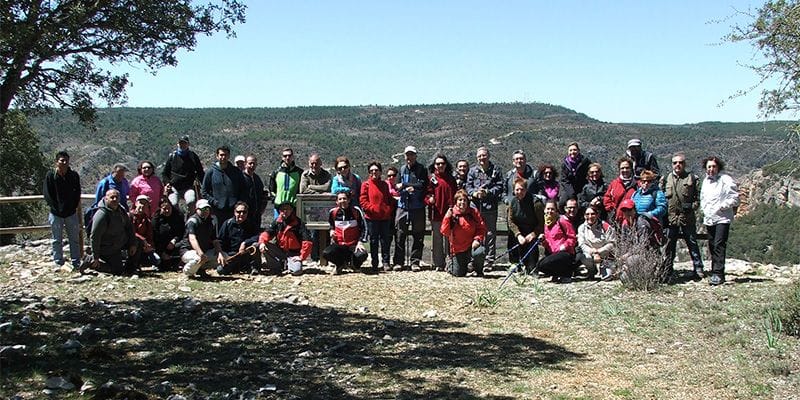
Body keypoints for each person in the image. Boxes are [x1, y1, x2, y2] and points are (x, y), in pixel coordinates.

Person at [661, 153, 704, 281]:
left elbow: (698, 198)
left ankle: (698, 268)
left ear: (684, 164)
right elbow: (661, 198)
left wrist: (691, 207)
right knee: (669, 246)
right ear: (672, 164)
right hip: (671, 218)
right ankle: (668, 270)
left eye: (680, 162)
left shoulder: (692, 178)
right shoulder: (666, 179)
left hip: (687, 217)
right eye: (675, 163)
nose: (677, 165)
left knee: (692, 243)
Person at [700, 156, 739, 286]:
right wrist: (704, 210)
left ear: (718, 167)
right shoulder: (705, 181)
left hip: (722, 218)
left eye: (714, 166)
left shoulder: (725, 180)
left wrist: (722, 206)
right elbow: (703, 198)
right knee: (712, 245)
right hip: (710, 218)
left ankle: (718, 273)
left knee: (719, 244)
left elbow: (735, 198)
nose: (711, 169)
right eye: (709, 167)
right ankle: (714, 271)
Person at [43, 151, 82, 270]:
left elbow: (77, 192)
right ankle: (58, 261)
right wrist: (56, 207)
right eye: (62, 160)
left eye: (66, 160)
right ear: (56, 162)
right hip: (56, 213)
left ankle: (76, 261)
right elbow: (47, 194)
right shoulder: (51, 176)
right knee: (56, 239)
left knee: (74, 239)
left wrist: (73, 206)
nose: (64, 163)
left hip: (71, 213)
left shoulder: (73, 176)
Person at [466, 146, 503, 266]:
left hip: (490, 207)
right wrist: (474, 193)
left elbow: (500, 187)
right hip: (475, 207)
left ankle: (489, 260)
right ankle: (473, 260)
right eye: (480, 156)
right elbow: (468, 186)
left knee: (490, 234)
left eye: (484, 155)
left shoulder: (496, 170)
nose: (482, 158)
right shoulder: (472, 171)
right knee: (473, 232)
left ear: (489, 156)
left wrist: (488, 192)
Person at [87, 189, 137, 275]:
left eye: (116, 197)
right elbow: (95, 236)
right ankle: (91, 262)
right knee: (117, 270)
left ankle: (131, 268)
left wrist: (133, 243)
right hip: (107, 247)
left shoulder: (121, 210)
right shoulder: (102, 215)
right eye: (112, 197)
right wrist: (95, 256)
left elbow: (129, 227)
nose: (114, 199)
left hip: (119, 242)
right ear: (106, 198)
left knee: (138, 242)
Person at [394, 146, 428, 271]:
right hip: (403, 206)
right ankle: (399, 262)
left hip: (417, 206)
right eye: (407, 155)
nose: (410, 157)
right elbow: (397, 186)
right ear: (404, 156)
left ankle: (415, 262)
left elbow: (422, 185)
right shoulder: (402, 169)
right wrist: (405, 187)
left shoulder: (422, 169)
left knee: (418, 235)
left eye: (412, 155)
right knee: (400, 234)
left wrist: (405, 185)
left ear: (415, 156)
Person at [258, 202, 314, 276]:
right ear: (279, 211)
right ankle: (276, 267)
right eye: (282, 209)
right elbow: (267, 233)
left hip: (294, 254)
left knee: (297, 271)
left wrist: (301, 257)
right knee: (263, 245)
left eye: (288, 209)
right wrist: (262, 242)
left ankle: (287, 264)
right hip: (280, 251)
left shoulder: (298, 223)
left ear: (292, 210)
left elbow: (307, 241)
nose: (285, 211)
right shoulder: (277, 222)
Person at [440, 189, 487, 277]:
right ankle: (452, 265)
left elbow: (481, 228)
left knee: (480, 252)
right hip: (457, 249)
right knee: (458, 273)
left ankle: (478, 270)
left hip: (471, 246)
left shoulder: (473, 212)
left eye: (465, 200)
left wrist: (477, 239)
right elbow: (445, 232)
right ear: (456, 201)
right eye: (460, 200)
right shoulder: (452, 213)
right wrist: (447, 218)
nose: (462, 202)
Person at [360, 161, 395, 272]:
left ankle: (385, 262)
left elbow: (389, 199)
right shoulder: (366, 185)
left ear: (380, 172)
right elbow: (363, 200)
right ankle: (374, 263)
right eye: (371, 170)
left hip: (384, 218)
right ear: (369, 173)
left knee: (385, 241)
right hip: (371, 218)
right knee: (373, 241)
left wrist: (388, 209)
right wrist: (372, 209)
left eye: (376, 170)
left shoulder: (384, 185)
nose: (374, 172)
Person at [425, 153, 457, 271]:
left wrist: (454, 209)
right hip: (436, 213)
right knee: (437, 239)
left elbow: (455, 194)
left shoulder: (451, 179)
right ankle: (438, 263)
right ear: (434, 165)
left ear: (446, 165)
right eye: (438, 163)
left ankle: (450, 262)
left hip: (450, 213)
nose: (440, 166)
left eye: (442, 163)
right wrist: (429, 200)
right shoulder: (431, 179)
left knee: (449, 238)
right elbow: (426, 194)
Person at [324, 192, 368, 274]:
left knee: (362, 254)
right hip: (339, 244)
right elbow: (331, 225)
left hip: (353, 245)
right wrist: (331, 230)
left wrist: (360, 242)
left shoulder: (356, 211)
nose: (342, 201)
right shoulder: (333, 212)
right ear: (337, 202)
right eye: (340, 199)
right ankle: (340, 264)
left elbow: (364, 227)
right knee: (326, 253)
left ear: (349, 200)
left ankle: (355, 265)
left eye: (344, 198)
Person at [506, 178, 544, 273]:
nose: (520, 192)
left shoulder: (536, 203)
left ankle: (531, 266)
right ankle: (515, 263)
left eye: (522, 189)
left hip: (532, 231)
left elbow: (541, 222)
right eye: (517, 190)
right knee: (512, 235)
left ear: (526, 189)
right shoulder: (512, 202)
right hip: (519, 231)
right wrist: (518, 234)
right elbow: (510, 221)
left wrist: (533, 234)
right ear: (514, 190)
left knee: (531, 268)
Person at [179, 199, 223, 278]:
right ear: (196, 210)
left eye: (207, 209)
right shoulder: (192, 221)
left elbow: (215, 240)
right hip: (188, 251)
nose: (205, 211)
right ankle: (187, 272)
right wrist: (200, 253)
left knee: (224, 257)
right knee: (198, 259)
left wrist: (220, 253)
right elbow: (192, 239)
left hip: (204, 252)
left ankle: (200, 269)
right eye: (202, 209)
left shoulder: (211, 221)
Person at [536, 199, 577, 284]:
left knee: (544, 264)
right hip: (553, 253)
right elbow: (548, 243)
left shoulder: (562, 220)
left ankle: (567, 273)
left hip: (565, 253)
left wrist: (564, 246)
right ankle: (559, 273)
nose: (550, 211)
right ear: (544, 210)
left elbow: (572, 238)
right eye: (548, 209)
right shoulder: (546, 223)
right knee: (540, 266)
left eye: (552, 209)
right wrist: (543, 240)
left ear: (556, 210)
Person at [202, 145, 245, 224]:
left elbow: (243, 189)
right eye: (221, 155)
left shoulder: (236, 172)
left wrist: (238, 203)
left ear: (229, 156)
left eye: (225, 155)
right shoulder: (211, 172)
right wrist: (214, 202)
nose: (223, 157)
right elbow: (204, 192)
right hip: (217, 211)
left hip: (233, 210)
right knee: (218, 231)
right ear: (217, 156)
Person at [161, 135, 204, 215]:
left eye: (184, 143)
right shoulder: (172, 157)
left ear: (188, 144)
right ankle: (178, 219)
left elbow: (200, 172)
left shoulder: (193, 156)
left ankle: (190, 219)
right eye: (181, 143)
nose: (182, 145)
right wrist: (167, 183)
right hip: (174, 188)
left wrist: (204, 186)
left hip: (188, 187)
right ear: (177, 144)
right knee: (173, 204)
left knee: (191, 201)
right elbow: (165, 173)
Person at [216, 202, 261, 275]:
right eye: (239, 212)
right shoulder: (227, 223)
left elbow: (257, 236)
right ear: (234, 212)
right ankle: (237, 268)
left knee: (256, 245)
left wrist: (245, 243)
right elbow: (220, 240)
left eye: (244, 212)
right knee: (220, 270)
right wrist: (222, 254)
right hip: (232, 255)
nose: (241, 214)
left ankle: (254, 267)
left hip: (246, 252)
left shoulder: (251, 223)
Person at [577, 206, 616, 279]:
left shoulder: (606, 226)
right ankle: (592, 271)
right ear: (584, 216)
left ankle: (604, 269)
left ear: (597, 215)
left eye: (593, 214)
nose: (590, 216)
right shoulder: (581, 228)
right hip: (590, 254)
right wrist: (593, 252)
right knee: (584, 257)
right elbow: (582, 244)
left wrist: (598, 251)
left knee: (607, 277)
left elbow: (612, 243)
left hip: (605, 256)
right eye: (587, 214)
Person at [268, 147, 304, 217]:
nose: (287, 158)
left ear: (293, 157)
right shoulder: (276, 173)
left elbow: (301, 190)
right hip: (278, 208)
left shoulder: (299, 172)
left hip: (294, 208)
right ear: (282, 158)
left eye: (289, 156)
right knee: (278, 224)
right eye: (285, 156)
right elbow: (271, 189)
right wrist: (275, 199)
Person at [153, 196, 185, 271]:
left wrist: (174, 240)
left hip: (174, 244)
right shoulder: (155, 220)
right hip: (161, 246)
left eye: (169, 208)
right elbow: (155, 237)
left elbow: (181, 232)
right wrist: (162, 252)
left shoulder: (178, 216)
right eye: (164, 209)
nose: (167, 210)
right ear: (160, 209)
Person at [129, 195, 160, 269]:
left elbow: (150, 235)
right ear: (136, 203)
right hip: (132, 243)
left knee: (157, 260)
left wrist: (150, 246)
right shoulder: (129, 216)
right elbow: (131, 232)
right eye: (141, 203)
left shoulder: (147, 220)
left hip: (145, 247)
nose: (142, 205)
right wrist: (143, 240)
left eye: (145, 204)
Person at [603, 157, 637, 224]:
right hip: (617, 219)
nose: (625, 170)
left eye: (627, 168)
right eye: (622, 168)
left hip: (632, 220)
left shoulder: (637, 184)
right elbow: (607, 198)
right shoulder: (614, 183)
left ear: (631, 169)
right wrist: (611, 209)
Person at [242, 154, 267, 227]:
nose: (252, 165)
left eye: (254, 163)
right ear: (245, 164)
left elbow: (262, 194)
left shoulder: (257, 178)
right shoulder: (241, 177)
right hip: (244, 214)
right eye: (250, 163)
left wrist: (262, 209)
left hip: (256, 215)